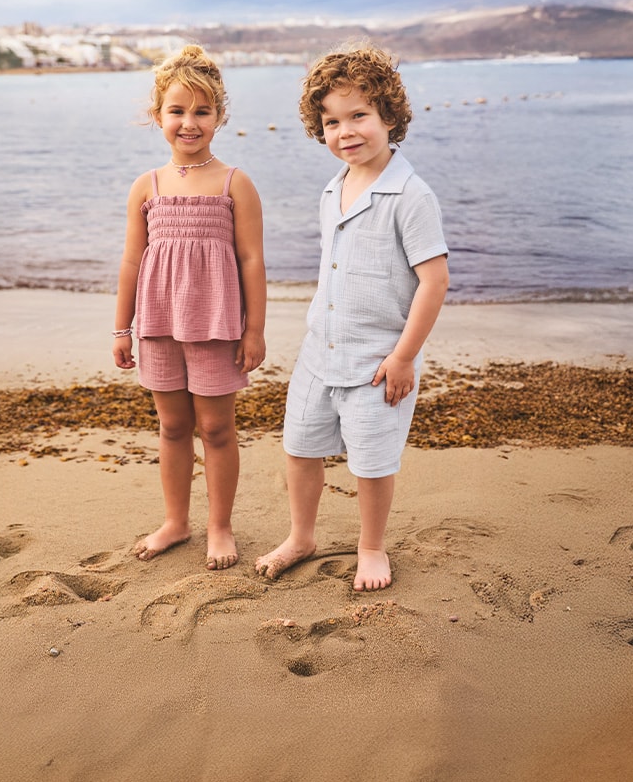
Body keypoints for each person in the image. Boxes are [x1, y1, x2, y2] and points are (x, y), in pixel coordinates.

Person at [255, 41, 449, 591]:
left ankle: (371, 547)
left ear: (388, 114)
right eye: (332, 121)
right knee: (300, 447)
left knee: (371, 463)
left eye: (359, 115)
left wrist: (405, 356)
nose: (346, 132)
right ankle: (302, 536)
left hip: (378, 361)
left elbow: (434, 281)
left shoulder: (411, 195)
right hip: (320, 352)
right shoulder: (332, 188)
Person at [113, 44, 266, 571]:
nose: (189, 122)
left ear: (220, 117)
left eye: (202, 111)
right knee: (173, 427)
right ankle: (176, 521)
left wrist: (255, 331)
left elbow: (251, 262)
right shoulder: (146, 187)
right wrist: (120, 329)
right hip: (157, 325)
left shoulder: (234, 183)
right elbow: (132, 261)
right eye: (177, 111)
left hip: (216, 325)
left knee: (218, 429)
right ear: (157, 117)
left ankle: (219, 526)